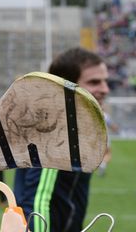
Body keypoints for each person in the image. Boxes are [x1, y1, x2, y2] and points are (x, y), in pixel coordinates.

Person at [14, 47, 110, 232]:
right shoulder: (56, 129)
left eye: (105, 81)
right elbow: (37, 201)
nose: (105, 89)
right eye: (94, 82)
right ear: (65, 86)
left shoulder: (73, 125)